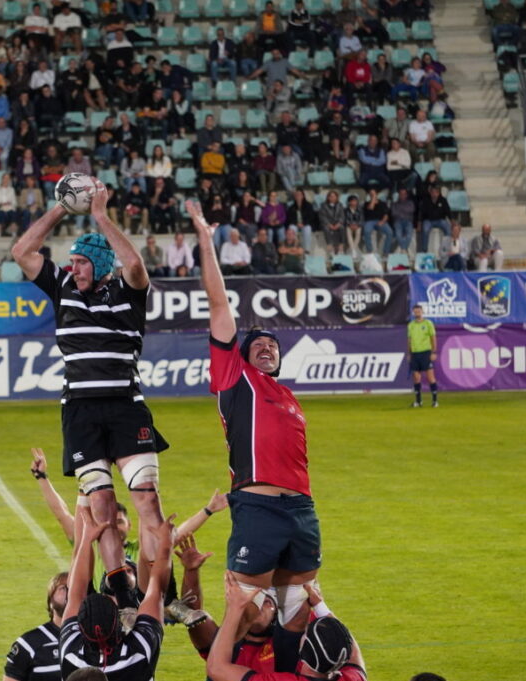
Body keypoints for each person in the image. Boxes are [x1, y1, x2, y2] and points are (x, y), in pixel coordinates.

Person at [11, 178, 168, 616]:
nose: (73, 268)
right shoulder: (61, 288)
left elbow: (134, 264)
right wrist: (62, 208)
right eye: (71, 262)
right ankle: (122, 599)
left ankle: (162, 592)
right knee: (100, 507)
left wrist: (100, 216)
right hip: (79, 411)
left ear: (100, 266)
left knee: (146, 500)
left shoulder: (127, 293)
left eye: (81, 262)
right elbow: (22, 252)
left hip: (124, 406)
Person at [186, 197, 323, 639]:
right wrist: (207, 241)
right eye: (256, 344)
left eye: (273, 345)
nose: (266, 348)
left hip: (301, 509)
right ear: (241, 357)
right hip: (258, 508)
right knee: (247, 616)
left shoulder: (288, 397)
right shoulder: (234, 379)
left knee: (299, 617)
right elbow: (219, 304)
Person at [58, 509, 172, 680]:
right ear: (118, 619)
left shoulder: (71, 656)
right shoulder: (138, 653)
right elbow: (156, 588)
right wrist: (165, 544)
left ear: (80, 627)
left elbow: (75, 592)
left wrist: (86, 540)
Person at [207, 574, 367, 681]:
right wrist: (319, 605)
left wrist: (235, 608)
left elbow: (216, 668)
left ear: (303, 649)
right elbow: (351, 652)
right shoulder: (349, 677)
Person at [3, 571, 70, 681]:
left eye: (73, 588)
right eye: (63, 588)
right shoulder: (29, 643)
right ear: (50, 602)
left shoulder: (93, 639)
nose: (69, 592)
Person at [407, 304, 438, 408]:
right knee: (416, 377)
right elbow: (409, 340)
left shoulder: (428, 323)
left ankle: (435, 401)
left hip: (425, 352)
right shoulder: (411, 325)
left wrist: (433, 352)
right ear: (413, 313)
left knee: (430, 377)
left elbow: (433, 338)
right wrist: (409, 353)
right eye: (415, 311)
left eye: (419, 311)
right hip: (415, 354)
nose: (417, 313)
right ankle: (418, 401)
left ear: (422, 311)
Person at [418, 185, 451, 253]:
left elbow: (448, 211)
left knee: (447, 228)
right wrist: (419, 223)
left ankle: (447, 248)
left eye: (436, 192)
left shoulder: (443, 200)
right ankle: (424, 250)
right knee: (425, 229)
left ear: (438, 193)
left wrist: (452, 221)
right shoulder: (426, 200)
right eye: (433, 192)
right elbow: (421, 213)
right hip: (428, 220)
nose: (434, 194)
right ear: (430, 192)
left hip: (440, 220)